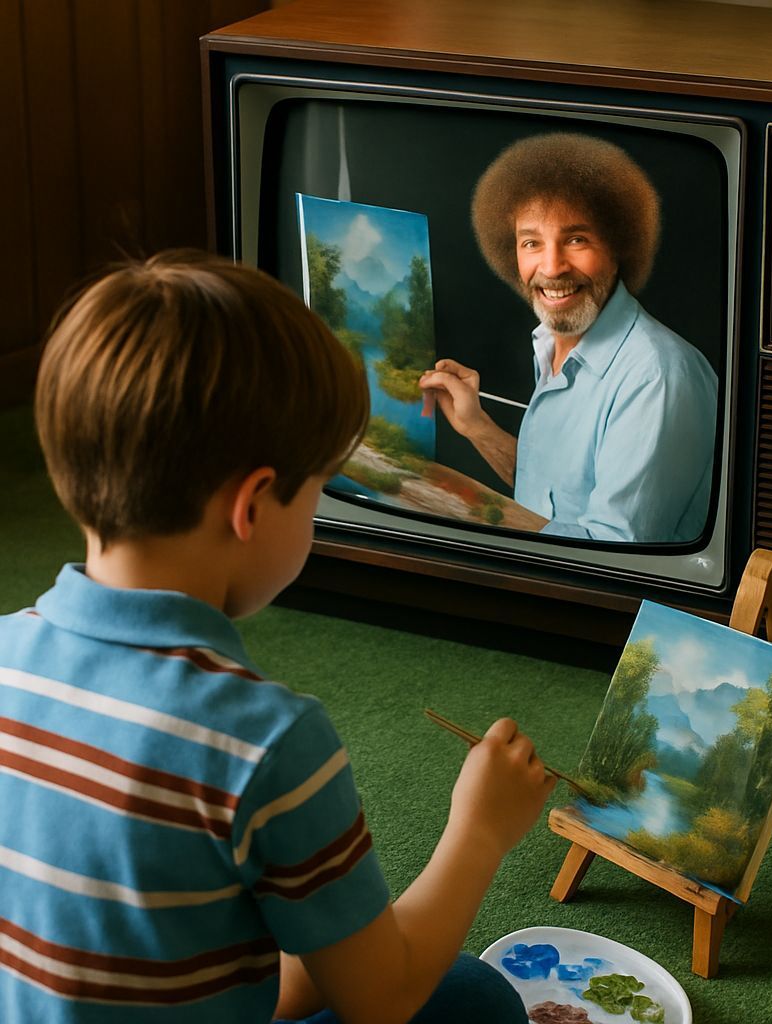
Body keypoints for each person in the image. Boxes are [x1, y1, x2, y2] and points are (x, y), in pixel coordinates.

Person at [0, 252, 555, 1024]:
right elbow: (383, 998)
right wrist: (480, 830)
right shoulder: (266, 740)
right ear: (253, 505)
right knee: (473, 999)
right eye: (320, 490)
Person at [419, 132, 719, 544]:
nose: (552, 267)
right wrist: (478, 428)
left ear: (618, 247)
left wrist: (463, 504)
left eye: (576, 240)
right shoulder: (552, 345)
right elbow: (556, 498)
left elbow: (614, 556)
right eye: (531, 243)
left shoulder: (658, 376)